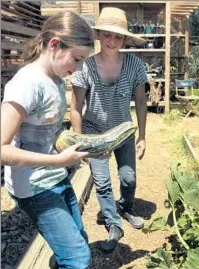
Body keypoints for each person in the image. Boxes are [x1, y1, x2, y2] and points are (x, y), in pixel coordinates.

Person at [1, 11, 94, 269]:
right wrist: (59, 160)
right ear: (54, 45)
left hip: (55, 175)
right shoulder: (26, 84)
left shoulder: (54, 79)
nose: (78, 68)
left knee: (78, 243)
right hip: (34, 187)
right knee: (77, 258)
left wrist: (80, 147)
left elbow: (47, 131)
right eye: (77, 59)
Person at [70, 7, 148, 252]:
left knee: (129, 177)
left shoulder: (135, 64)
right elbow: (75, 107)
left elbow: (141, 101)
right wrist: (79, 141)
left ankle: (125, 207)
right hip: (95, 133)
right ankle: (114, 223)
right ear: (99, 35)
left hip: (124, 130)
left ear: (124, 39)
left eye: (118, 36)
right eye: (106, 34)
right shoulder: (86, 67)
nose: (112, 41)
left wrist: (143, 135)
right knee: (102, 182)